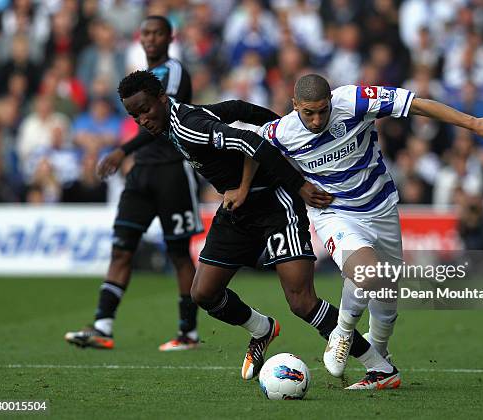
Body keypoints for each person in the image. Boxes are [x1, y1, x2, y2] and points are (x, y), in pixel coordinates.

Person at [112, 70, 396, 389]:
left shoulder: (187, 125)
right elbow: (238, 109)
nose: (141, 119)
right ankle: (262, 329)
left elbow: (251, 140)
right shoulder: (177, 118)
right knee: (203, 293)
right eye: (134, 115)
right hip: (237, 208)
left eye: (145, 109)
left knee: (302, 302)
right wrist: (280, 126)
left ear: (162, 98)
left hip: (275, 203)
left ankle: (379, 366)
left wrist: (297, 184)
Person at [251, 74, 483, 388]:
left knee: (386, 296)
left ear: (332, 100)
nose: (317, 119)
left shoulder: (356, 101)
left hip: (382, 207)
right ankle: (343, 331)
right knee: (367, 274)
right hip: (334, 213)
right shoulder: (283, 131)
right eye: (309, 113)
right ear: (295, 106)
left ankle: (381, 368)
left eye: (323, 110)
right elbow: (252, 149)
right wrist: (244, 190)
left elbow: (416, 105)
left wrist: (472, 124)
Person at [65, 16, 201, 352]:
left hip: (172, 170)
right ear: (140, 39)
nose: (151, 39)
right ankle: (102, 326)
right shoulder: (140, 77)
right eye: (146, 34)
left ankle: (188, 333)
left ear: (170, 37)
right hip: (141, 172)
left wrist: (122, 150)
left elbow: (160, 117)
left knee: (179, 254)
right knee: (121, 248)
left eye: (158, 33)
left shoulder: (175, 71)